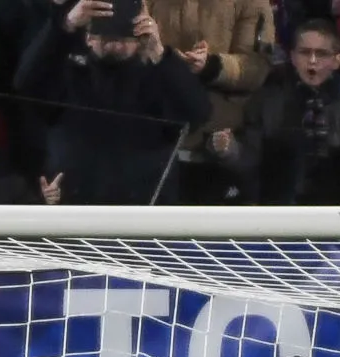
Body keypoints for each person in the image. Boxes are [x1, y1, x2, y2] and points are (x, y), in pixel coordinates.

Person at [13, 0, 213, 205]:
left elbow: (198, 113)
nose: (116, 41)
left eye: (124, 32)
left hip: (144, 210)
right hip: (74, 207)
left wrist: (160, 53)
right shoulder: (67, 74)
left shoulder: (160, 76)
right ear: (89, 37)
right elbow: (26, 83)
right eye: (105, 31)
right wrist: (65, 25)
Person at [208, 20, 340, 205]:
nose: (312, 60)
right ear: (292, 57)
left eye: (322, 54)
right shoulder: (269, 98)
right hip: (280, 208)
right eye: (305, 52)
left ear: (336, 61)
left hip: (337, 213)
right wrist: (230, 150)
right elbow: (251, 158)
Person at [150, 0, 275, 202]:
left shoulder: (252, 3)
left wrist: (211, 65)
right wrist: (163, 59)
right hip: (156, 139)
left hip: (216, 146)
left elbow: (257, 67)